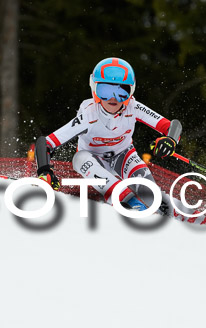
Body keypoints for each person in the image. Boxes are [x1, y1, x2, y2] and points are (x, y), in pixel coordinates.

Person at [34, 57, 184, 213]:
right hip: (92, 159)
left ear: (130, 92)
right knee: (79, 158)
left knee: (151, 195)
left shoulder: (133, 107)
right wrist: (44, 171)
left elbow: (173, 126)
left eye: (121, 92)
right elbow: (46, 143)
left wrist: (170, 140)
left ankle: (186, 218)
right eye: (105, 91)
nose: (113, 98)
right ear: (94, 89)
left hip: (124, 155)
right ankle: (126, 202)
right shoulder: (88, 114)